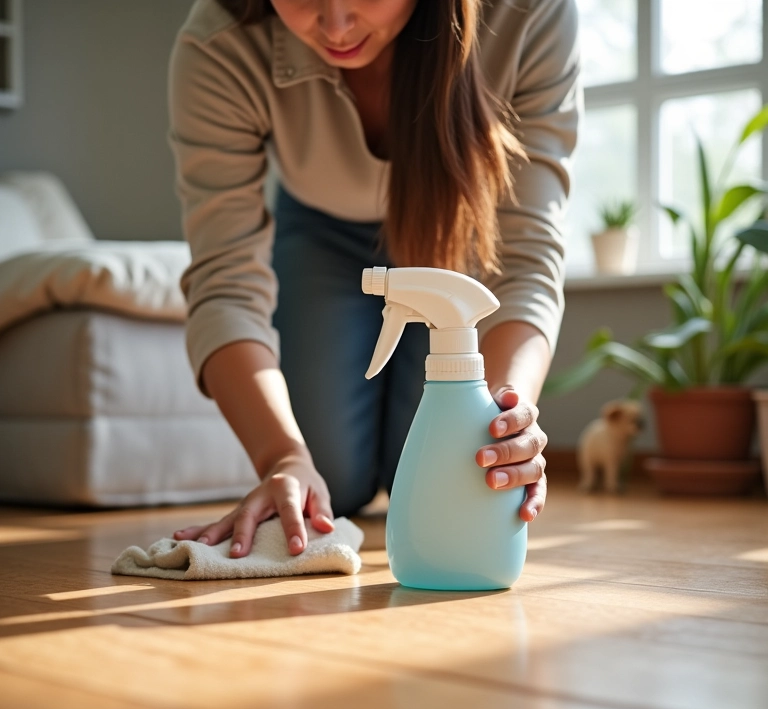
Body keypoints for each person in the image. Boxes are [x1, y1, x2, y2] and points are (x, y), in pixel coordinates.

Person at [168, 0, 580, 558]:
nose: (335, 25)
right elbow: (225, 281)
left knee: (454, 457)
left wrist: (504, 426)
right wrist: (283, 457)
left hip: (455, 230)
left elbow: (528, 259)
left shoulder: (531, 13)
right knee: (330, 478)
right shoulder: (219, 41)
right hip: (319, 227)